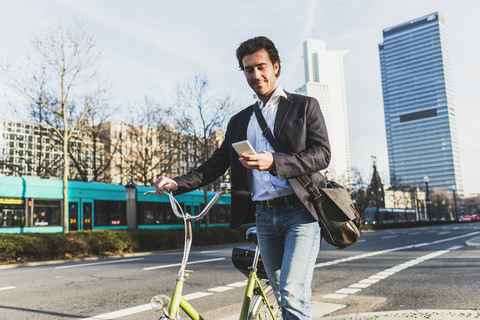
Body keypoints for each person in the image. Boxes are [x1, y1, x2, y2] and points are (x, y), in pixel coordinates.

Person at [155, 36, 330, 319]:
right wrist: (178, 182)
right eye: (249, 69)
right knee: (282, 296)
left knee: (293, 293)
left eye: (261, 67)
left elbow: (322, 154)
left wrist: (274, 161)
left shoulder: (304, 106)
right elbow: (215, 164)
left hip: (300, 212)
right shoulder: (239, 121)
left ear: (276, 67)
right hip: (263, 217)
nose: (256, 75)